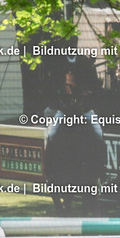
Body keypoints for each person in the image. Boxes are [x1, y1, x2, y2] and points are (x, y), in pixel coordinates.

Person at [44, 60, 106, 216]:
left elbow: (92, 91)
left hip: (85, 110)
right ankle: (49, 172)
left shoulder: (83, 67)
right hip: (64, 111)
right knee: (51, 134)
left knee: (99, 134)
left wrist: (85, 96)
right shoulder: (61, 67)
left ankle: (101, 169)